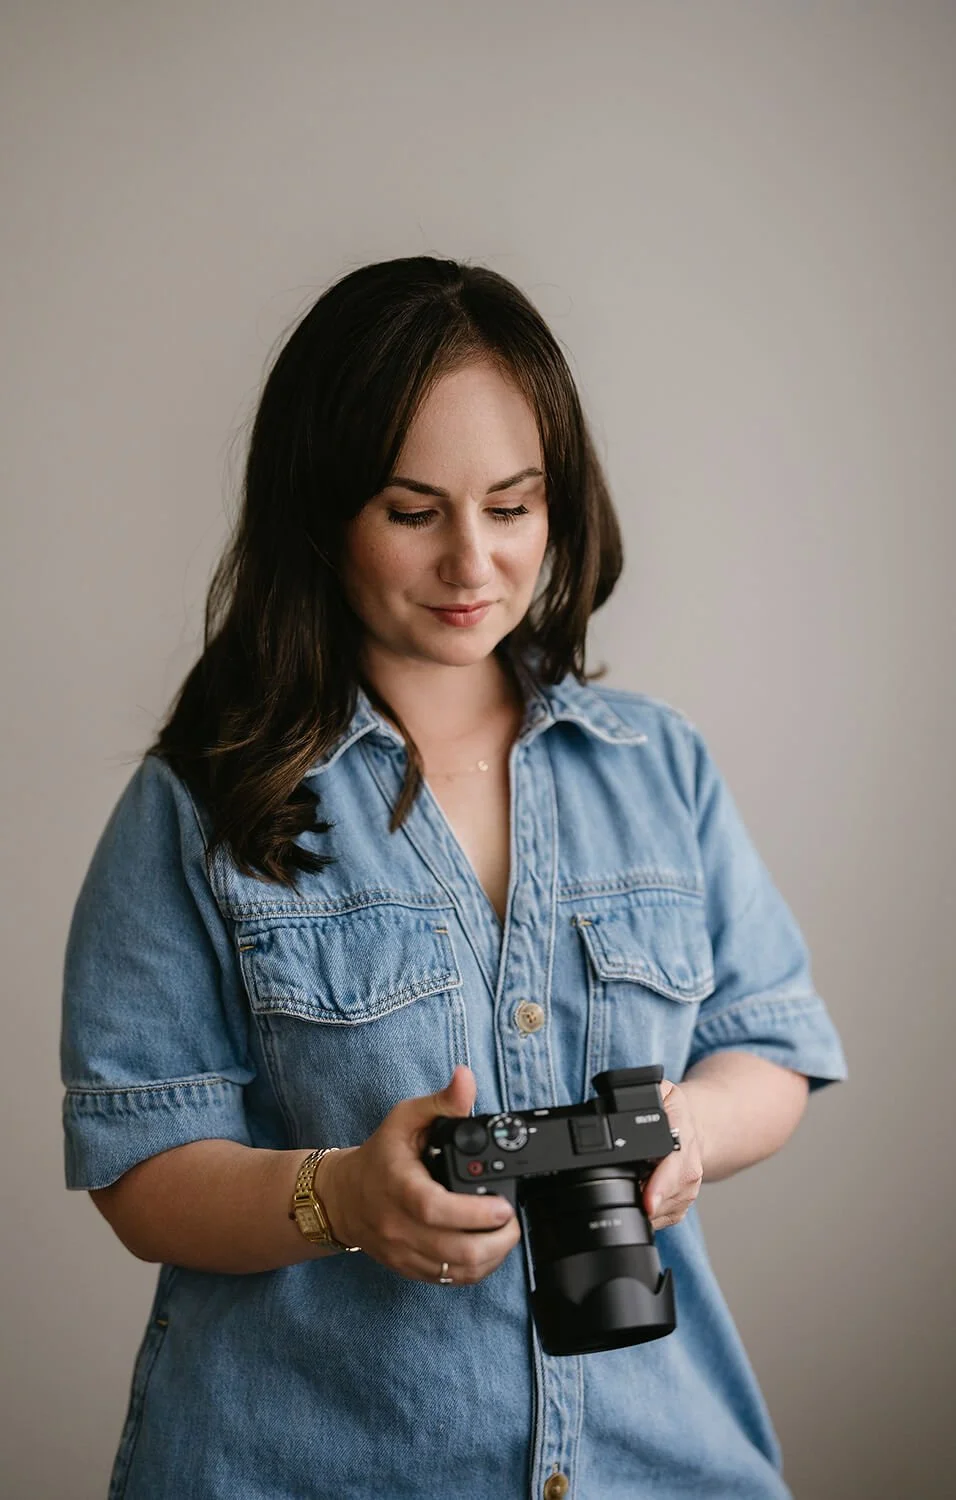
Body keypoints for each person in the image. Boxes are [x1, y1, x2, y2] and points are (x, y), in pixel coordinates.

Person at [61, 255, 848, 1500]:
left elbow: (772, 1047)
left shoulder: (658, 766)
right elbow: (140, 1173)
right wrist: (342, 1198)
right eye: (414, 512)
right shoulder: (199, 803)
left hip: (659, 1460)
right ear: (323, 512)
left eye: (515, 505)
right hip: (304, 1466)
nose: (472, 562)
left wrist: (682, 1130)